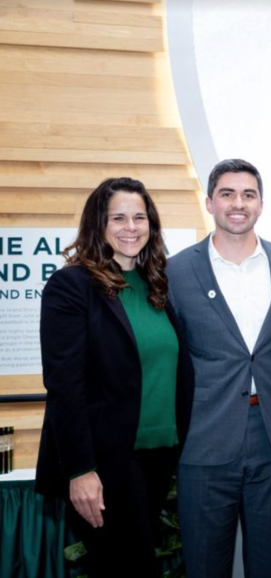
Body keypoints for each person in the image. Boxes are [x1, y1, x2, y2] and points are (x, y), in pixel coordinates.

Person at [35, 178, 194, 578]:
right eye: (118, 217)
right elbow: (64, 387)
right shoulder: (71, 286)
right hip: (105, 462)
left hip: (159, 455)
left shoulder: (158, 286)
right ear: (98, 225)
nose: (131, 227)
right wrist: (80, 470)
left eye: (140, 217)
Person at [166, 159, 271, 578]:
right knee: (205, 566)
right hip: (203, 438)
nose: (238, 203)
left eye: (248, 194)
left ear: (261, 205)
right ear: (210, 202)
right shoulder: (175, 272)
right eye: (228, 194)